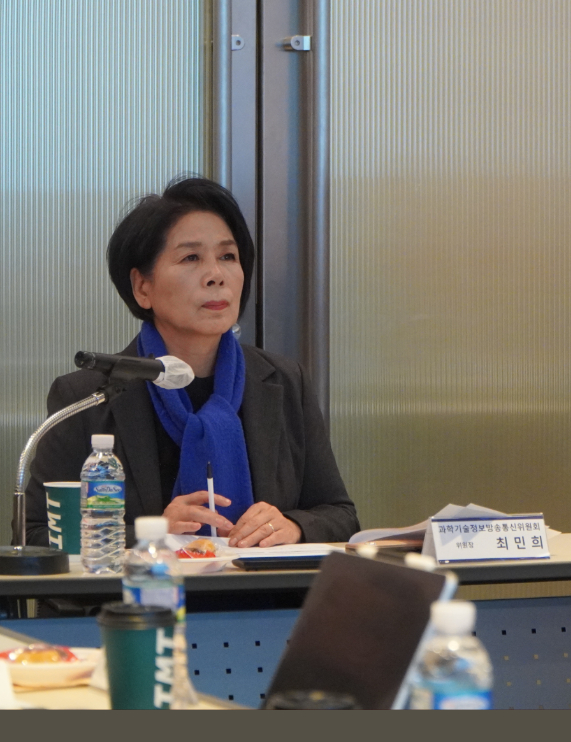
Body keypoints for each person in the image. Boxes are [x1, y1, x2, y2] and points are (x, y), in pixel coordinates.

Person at [25, 177, 358, 547]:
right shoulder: (88, 397)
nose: (216, 276)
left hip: (260, 584)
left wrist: (293, 526)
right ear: (142, 287)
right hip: (145, 585)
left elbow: (340, 515)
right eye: (191, 258)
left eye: (228, 257)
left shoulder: (283, 380)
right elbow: (37, 535)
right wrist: (151, 534)